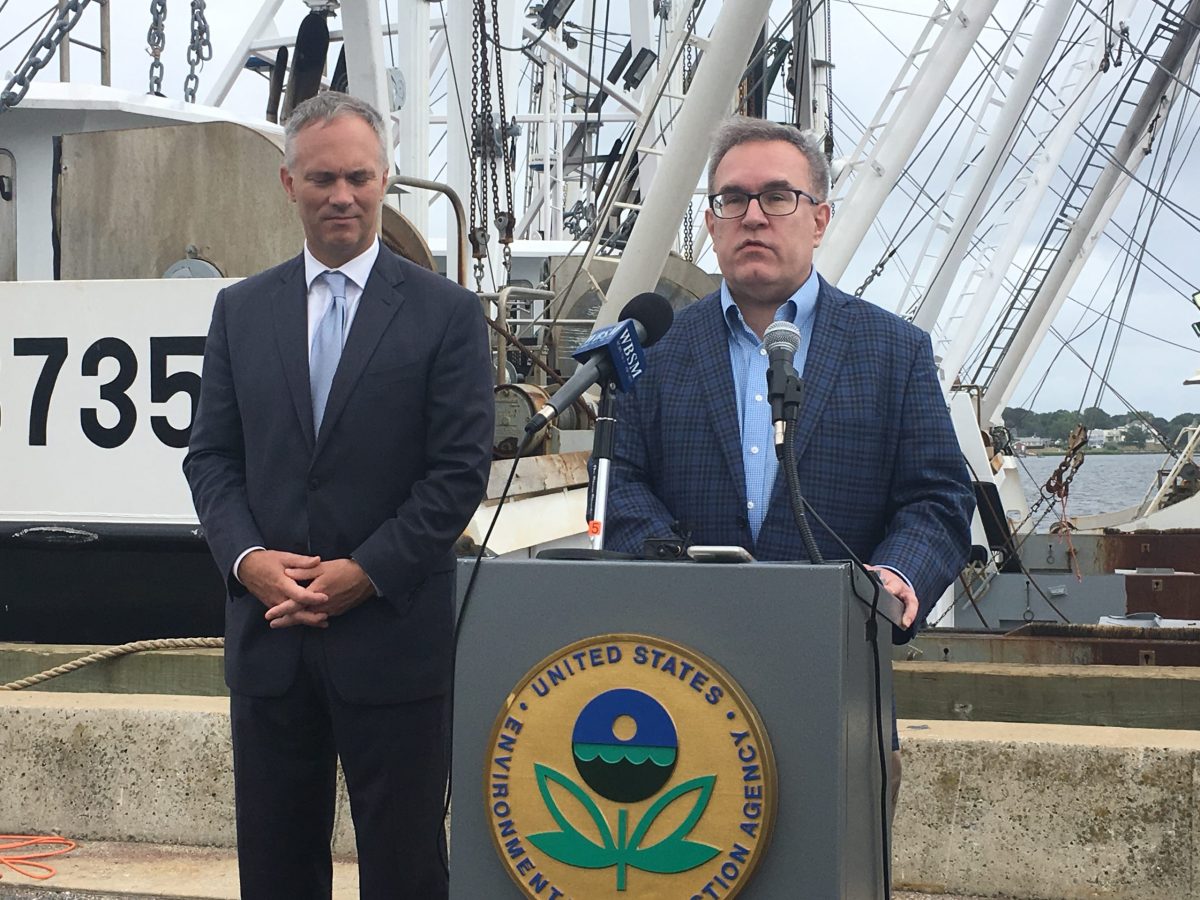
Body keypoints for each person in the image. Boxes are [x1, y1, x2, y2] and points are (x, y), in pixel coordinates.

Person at [605, 115, 975, 814]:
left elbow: (937, 498)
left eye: (778, 197)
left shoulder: (893, 351)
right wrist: (688, 577)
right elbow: (620, 484)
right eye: (731, 200)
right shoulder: (654, 353)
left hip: (835, 684)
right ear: (711, 225)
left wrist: (893, 579)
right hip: (678, 686)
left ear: (819, 218)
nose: (752, 216)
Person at [183, 91, 494, 900]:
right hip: (270, 637)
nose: (342, 197)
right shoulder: (239, 311)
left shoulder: (448, 316)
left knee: (406, 869)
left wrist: (365, 571)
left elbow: (457, 473)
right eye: (322, 179)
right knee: (276, 868)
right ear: (289, 185)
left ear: (385, 178)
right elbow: (212, 459)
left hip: (393, 638)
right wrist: (248, 561)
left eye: (359, 177)